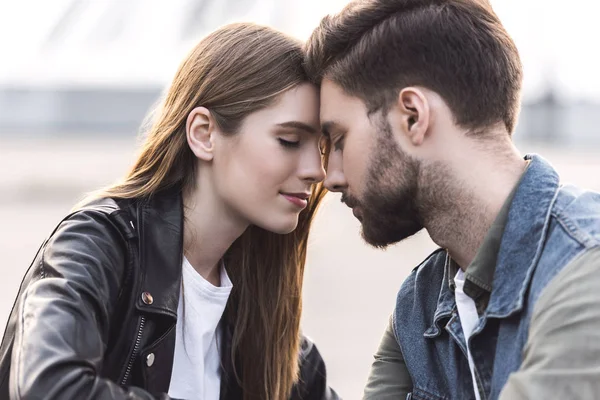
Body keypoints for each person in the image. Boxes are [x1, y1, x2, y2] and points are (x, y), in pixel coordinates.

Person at [0, 22, 339, 400]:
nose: (317, 170)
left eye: (321, 148)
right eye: (289, 141)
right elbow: (47, 389)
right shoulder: (97, 246)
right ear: (204, 134)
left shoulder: (277, 337)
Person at [305, 0, 600, 399]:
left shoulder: (586, 269)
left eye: (339, 140)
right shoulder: (418, 306)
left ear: (412, 116)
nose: (331, 177)